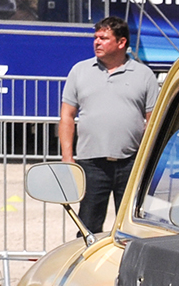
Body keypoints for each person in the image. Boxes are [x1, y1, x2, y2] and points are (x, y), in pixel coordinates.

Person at [58, 16, 159, 232]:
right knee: (88, 227)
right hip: (91, 164)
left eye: (103, 38)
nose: (96, 42)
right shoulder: (79, 71)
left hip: (131, 163)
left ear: (121, 43)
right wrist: (67, 157)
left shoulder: (144, 75)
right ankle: (85, 264)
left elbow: (153, 121)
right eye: (95, 37)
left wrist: (147, 158)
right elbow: (67, 116)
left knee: (132, 226)